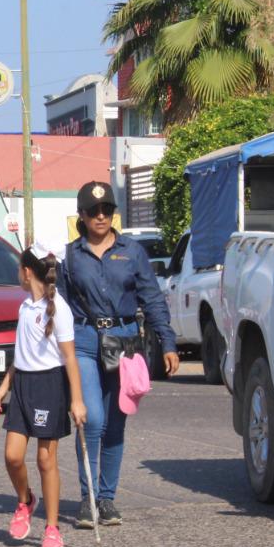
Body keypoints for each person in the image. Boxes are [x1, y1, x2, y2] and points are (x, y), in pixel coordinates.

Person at [60, 180, 178, 528]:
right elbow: (61, 305)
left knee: (115, 423)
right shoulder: (69, 255)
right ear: (81, 215)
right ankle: (89, 497)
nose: (101, 216)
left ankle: (108, 499)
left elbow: (152, 299)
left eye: (107, 210)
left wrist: (168, 342)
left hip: (125, 341)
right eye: (93, 211)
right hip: (83, 339)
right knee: (91, 418)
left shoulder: (133, 251)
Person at [0, 243, 86, 547]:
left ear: (27, 271)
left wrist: (77, 400)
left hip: (50, 386)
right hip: (23, 386)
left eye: (19, 268)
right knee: (12, 456)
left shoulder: (60, 310)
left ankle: (53, 528)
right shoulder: (24, 307)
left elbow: (70, 358)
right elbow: (21, 354)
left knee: (46, 459)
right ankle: (25, 500)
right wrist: (4, 387)